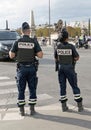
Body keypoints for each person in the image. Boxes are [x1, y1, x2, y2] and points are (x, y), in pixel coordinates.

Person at [9, 22, 43, 116]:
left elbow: (11, 55)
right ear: (29, 31)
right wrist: (34, 52)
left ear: (21, 31)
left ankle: (22, 110)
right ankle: (32, 109)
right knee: (32, 88)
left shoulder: (17, 42)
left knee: (21, 89)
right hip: (32, 68)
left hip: (21, 69)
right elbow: (40, 55)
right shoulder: (33, 42)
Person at [54, 30, 83, 112]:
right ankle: (79, 106)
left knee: (62, 87)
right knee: (74, 86)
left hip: (61, 68)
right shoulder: (71, 46)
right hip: (69, 68)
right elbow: (77, 57)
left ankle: (64, 106)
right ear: (67, 38)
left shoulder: (58, 46)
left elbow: (56, 58)